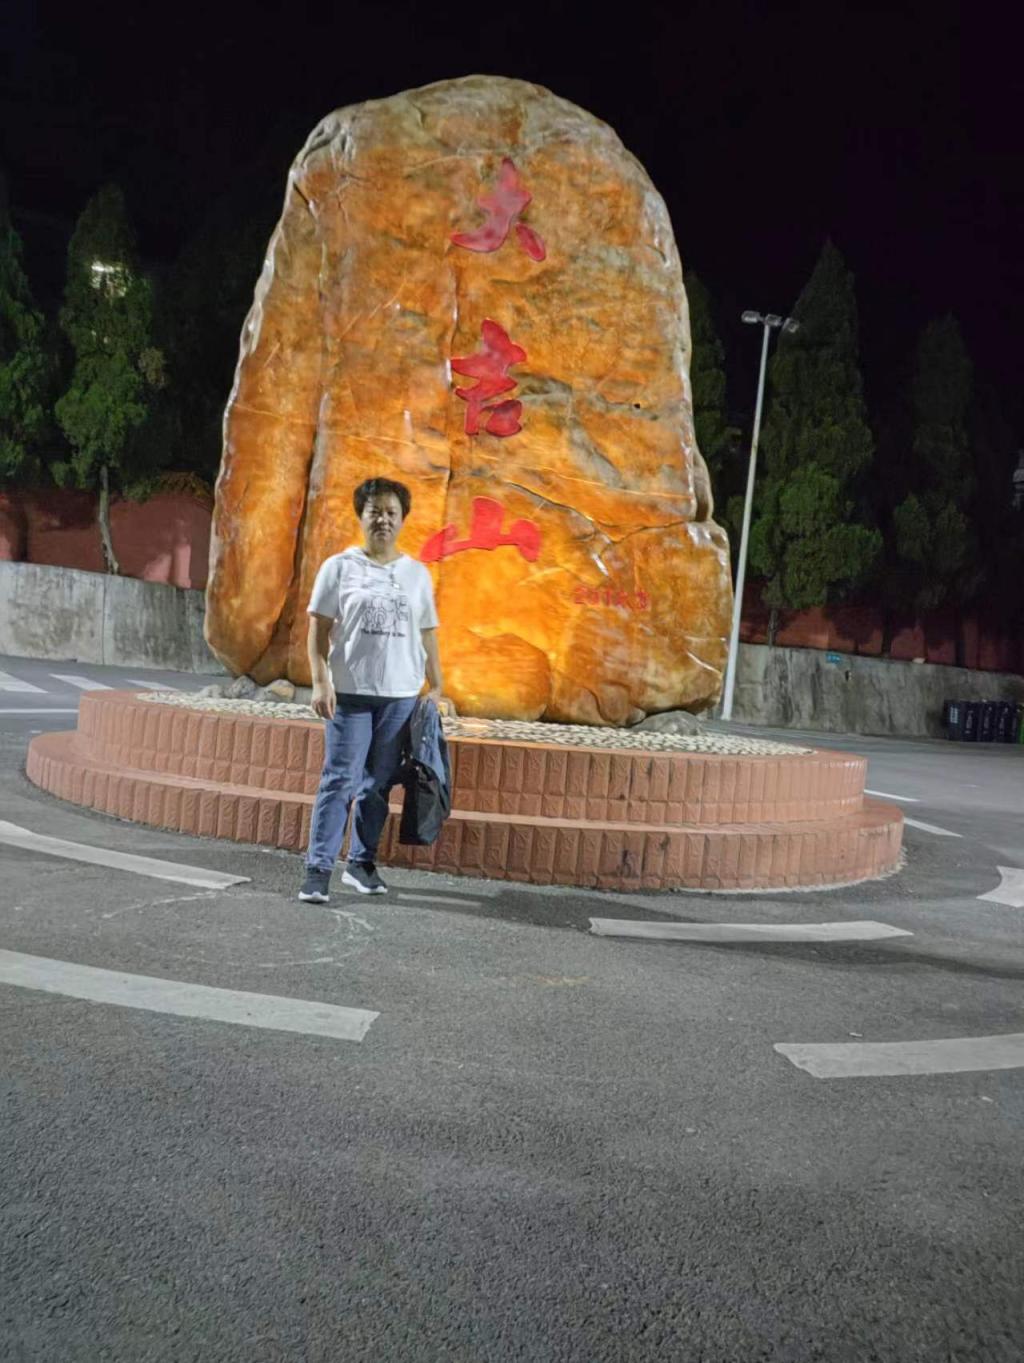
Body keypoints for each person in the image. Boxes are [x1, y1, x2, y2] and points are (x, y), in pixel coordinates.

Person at [298, 477, 446, 902]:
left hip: (399, 697)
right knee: (339, 781)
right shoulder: (339, 567)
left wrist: (438, 685)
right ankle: (318, 869)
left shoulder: (416, 574)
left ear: (402, 519)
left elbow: (427, 633)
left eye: (391, 512)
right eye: (374, 511)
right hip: (350, 695)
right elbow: (318, 629)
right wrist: (321, 681)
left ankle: (361, 864)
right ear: (361, 516)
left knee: (377, 785)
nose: (383, 519)